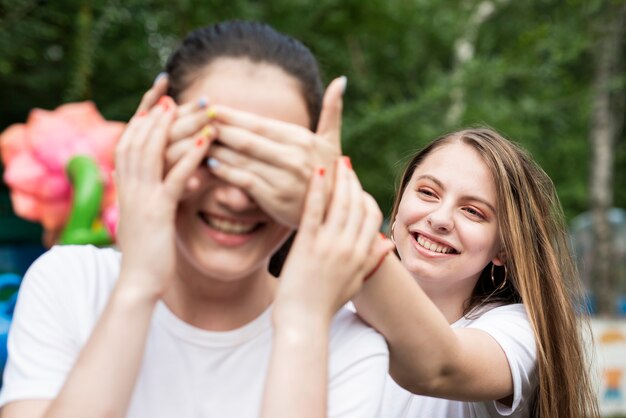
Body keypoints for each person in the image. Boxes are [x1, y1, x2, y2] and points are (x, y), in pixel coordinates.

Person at [0, 21, 391, 418]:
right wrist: (138, 285)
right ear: (149, 143)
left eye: (268, 163)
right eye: (209, 153)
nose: (235, 196)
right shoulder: (72, 283)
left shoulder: (349, 349)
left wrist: (301, 326)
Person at [202, 126, 599, 417]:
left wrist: (332, 209)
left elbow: (439, 367)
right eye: (427, 192)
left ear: (504, 250)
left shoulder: (517, 332)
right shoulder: (329, 313)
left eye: (473, 211)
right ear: (399, 203)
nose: (440, 218)